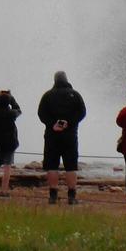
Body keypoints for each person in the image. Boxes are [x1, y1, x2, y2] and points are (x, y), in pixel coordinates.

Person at [37, 70, 87, 206]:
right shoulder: (75, 95)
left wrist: (52, 124)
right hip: (70, 135)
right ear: (66, 79)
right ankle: (71, 196)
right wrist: (69, 122)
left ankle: (53, 195)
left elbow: (41, 113)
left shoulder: (47, 95)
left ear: (55, 81)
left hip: (52, 135)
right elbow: (82, 112)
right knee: (71, 166)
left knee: (52, 165)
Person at [0, 88, 21, 197]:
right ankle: (4, 190)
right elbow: (18, 109)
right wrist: (11, 98)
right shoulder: (11, 113)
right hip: (10, 142)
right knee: (7, 166)